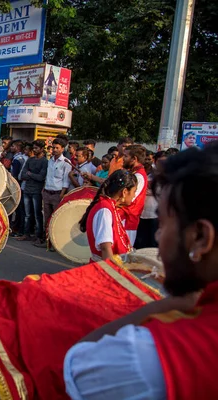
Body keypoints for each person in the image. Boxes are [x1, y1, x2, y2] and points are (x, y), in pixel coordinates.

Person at [65, 143, 218, 399]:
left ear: (200, 238)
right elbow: (106, 250)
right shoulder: (105, 209)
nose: (158, 235)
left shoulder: (147, 355)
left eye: (163, 223)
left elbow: (77, 366)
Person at [78, 170, 137, 261]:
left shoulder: (110, 206)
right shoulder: (105, 210)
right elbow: (105, 248)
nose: (134, 195)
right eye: (134, 191)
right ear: (125, 192)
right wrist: (111, 273)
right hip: (104, 269)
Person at [37, 137, 72, 248]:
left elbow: (66, 180)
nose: (55, 150)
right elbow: (48, 177)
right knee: (46, 218)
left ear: (62, 149)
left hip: (57, 194)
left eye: (57, 148)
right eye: (53, 147)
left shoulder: (66, 162)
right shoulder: (50, 160)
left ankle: (56, 243)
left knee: (56, 218)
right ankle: (47, 241)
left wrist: (62, 194)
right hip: (47, 192)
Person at [18, 140, 47, 243]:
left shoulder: (44, 161)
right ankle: (26, 234)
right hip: (27, 189)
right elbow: (22, 175)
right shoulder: (30, 160)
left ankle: (38, 236)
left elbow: (41, 177)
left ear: (42, 149)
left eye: (36, 148)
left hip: (37, 191)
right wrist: (31, 175)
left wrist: (30, 174)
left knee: (37, 214)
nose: (34, 150)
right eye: (33, 148)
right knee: (27, 214)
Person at [120, 144, 148, 245]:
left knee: (122, 255)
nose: (123, 158)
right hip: (124, 218)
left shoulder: (138, 176)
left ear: (134, 159)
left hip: (128, 220)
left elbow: (128, 199)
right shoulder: (134, 173)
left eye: (126, 156)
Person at [135, 151, 160, 249]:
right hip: (140, 212)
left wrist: (149, 190)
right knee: (140, 241)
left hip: (153, 212)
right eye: (144, 159)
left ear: (153, 160)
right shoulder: (137, 173)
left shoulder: (157, 174)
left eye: (149, 159)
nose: (146, 161)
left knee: (152, 242)